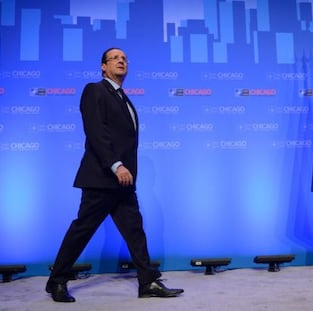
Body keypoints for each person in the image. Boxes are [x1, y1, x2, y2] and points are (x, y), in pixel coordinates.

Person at [45, 47, 184, 303]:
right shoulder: (95, 90)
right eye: (115, 58)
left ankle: (148, 282)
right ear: (103, 66)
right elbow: (96, 132)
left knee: (134, 230)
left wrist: (125, 171)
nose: (121, 61)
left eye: (125, 59)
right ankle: (57, 282)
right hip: (102, 177)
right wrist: (116, 165)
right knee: (83, 230)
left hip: (124, 181)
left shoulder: (124, 98)